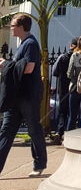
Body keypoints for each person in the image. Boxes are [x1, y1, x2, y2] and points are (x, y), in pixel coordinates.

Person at [0, 13, 48, 176]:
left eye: (13, 25)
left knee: (34, 129)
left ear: (21, 27)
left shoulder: (31, 44)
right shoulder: (23, 44)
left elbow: (29, 68)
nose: (11, 28)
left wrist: (6, 64)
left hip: (28, 96)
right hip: (16, 96)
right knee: (6, 131)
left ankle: (39, 164)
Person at [51, 37, 77, 138]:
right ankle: (70, 132)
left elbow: (54, 72)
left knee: (62, 111)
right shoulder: (80, 58)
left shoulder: (62, 57)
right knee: (73, 111)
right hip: (75, 87)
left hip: (63, 87)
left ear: (70, 45)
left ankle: (59, 131)